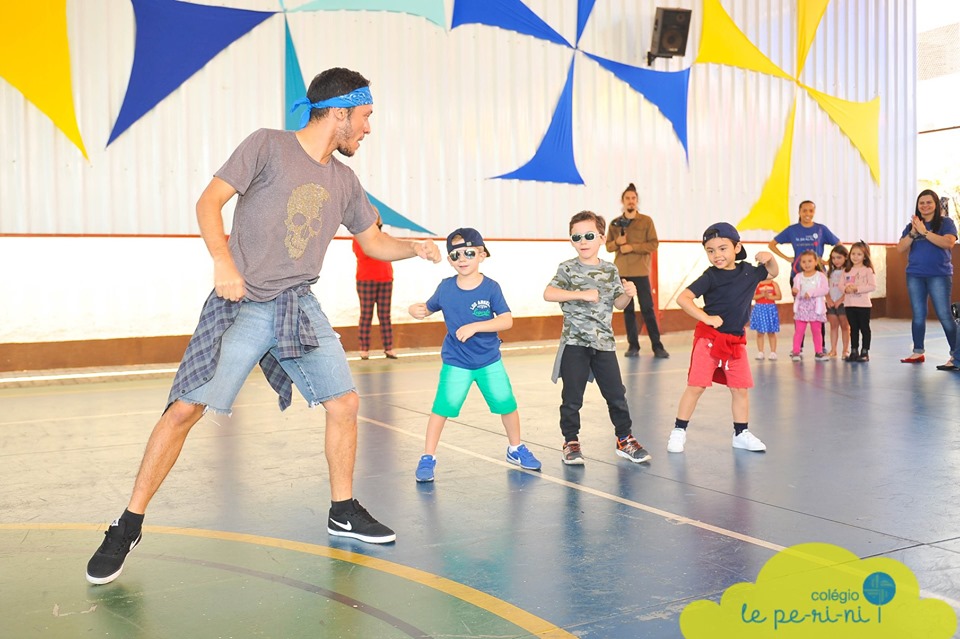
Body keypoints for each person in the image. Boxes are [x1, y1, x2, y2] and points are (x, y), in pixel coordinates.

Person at [85, 68, 442, 586]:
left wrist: (415, 247)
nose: (368, 129)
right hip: (244, 300)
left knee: (343, 402)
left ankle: (342, 508)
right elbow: (209, 202)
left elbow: (373, 243)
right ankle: (128, 524)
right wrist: (222, 262)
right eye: (365, 117)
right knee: (185, 407)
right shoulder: (267, 146)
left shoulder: (344, 180)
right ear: (339, 112)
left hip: (299, 305)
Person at [408, 228, 541, 482]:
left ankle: (515, 449)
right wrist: (416, 310)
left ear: (482, 254)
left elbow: (506, 320)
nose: (463, 258)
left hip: (489, 361)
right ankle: (428, 457)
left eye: (469, 252)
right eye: (456, 255)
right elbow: (427, 308)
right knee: (441, 409)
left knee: (507, 405)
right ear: (449, 260)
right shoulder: (446, 288)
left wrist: (476, 326)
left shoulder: (491, 288)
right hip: (456, 362)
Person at [544, 211, 652, 465]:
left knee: (616, 394)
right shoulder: (567, 268)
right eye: (576, 237)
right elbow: (549, 293)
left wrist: (628, 293)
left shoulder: (610, 269)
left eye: (589, 235)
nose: (583, 241)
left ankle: (624, 439)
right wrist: (580, 295)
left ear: (602, 238)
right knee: (572, 397)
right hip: (575, 343)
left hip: (604, 344)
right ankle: (571, 442)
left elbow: (619, 304)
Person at [666, 222, 778, 454]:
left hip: (735, 341)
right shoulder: (710, 277)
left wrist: (769, 258)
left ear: (737, 247)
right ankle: (678, 431)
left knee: (740, 389)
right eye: (711, 250)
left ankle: (741, 433)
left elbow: (773, 272)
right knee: (696, 386)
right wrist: (705, 317)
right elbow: (684, 298)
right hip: (709, 340)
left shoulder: (749, 272)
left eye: (723, 248)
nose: (717, 255)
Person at [605, 183, 670, 359]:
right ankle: (633, 346)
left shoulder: (646, 221)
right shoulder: (615, 223)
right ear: (622, 201)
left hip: (640, 272)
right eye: (627, 198)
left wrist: (632, 247)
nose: (630, 201)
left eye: (633, 198)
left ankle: (657, 346)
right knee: (627, 310)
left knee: (647, 309)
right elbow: (608, 246)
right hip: (622, 272)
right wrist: (618, 243)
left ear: (637, 200)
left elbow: (653, 244)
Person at [896, 189, 958, 367]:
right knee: (918, 314)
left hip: (939, 274)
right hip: (915, 275)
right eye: (921, 203)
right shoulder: (912, 226)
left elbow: (949, 242)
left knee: (944, 314)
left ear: (936, 204)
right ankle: (918, 352)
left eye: (929, 202)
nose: (925, 205)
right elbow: (900, 248)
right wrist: (913, 233)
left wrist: (925, 233)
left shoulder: (945, 223)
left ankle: (957, 355)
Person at [352, 212, 397, 359]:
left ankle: (388, 348)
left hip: (385, 278)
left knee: (385, 316)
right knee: (366, 315)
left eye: (376, 215)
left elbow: (391, 251)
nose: (372, 218)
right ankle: (364, 349)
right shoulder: (358, 238)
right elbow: (366, 253)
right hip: (366, 279)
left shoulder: (385, 236)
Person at [768, 200, 842, 283]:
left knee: (818, 295)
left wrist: (829, 261)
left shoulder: (821, 229)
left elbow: (839, 245)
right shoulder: (792, 230)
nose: (807, 214)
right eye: (804, 211)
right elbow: (771, 245)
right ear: (799, 212)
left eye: (811, 211)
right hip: (797, 273)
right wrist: (787, 258)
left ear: (814, 212)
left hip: (818, 274)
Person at [789, 250, 830, 362]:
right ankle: (796, 351)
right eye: (803, 262)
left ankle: (818, 351)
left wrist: (811, 292)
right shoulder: (798, 276)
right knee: (799, 331)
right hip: (802, 307)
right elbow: (796, 290)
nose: (807, 264)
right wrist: (794, 291)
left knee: (817, 331)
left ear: (816, 262)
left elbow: (825, 290)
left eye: (810, 261)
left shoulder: (821, 276)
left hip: (815, 308)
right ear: (800, 264)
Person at [842, 241, 876, 362]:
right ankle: (854, 350)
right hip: (850, 305)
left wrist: (857, 289)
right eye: (853, 254)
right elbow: (841, 285)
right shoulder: (846, 270)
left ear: (865, 256)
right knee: (854, 328)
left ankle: (865, 351)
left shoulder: (867, 270)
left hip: (863, 305)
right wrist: (846, 288)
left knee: (864, 328)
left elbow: (872, 286)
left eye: (859, 254)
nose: (855, 257)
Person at [825, 244, 851, 359]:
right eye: (833, 258)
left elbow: (849, 289)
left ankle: (845, 350)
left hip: (843, 303)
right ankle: (833, 349)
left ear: (846, 257)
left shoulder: (848, 272)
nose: (836, 260)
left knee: (845, 326)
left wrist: (841, 300)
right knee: (833, 326)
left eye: (839, 257)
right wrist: (829, 299)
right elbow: (826, 287)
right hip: (831, 303)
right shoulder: (829, 272)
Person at [749, 277, 782, 361]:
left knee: (771, 332)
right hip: (759, 309)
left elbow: (779, 296)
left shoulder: (774, 283)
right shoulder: (757, 283)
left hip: (770, 309)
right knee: (760, 332)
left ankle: (773, 352)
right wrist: (762, 295)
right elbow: (752, 296)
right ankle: (760, 351)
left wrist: (769, 297)